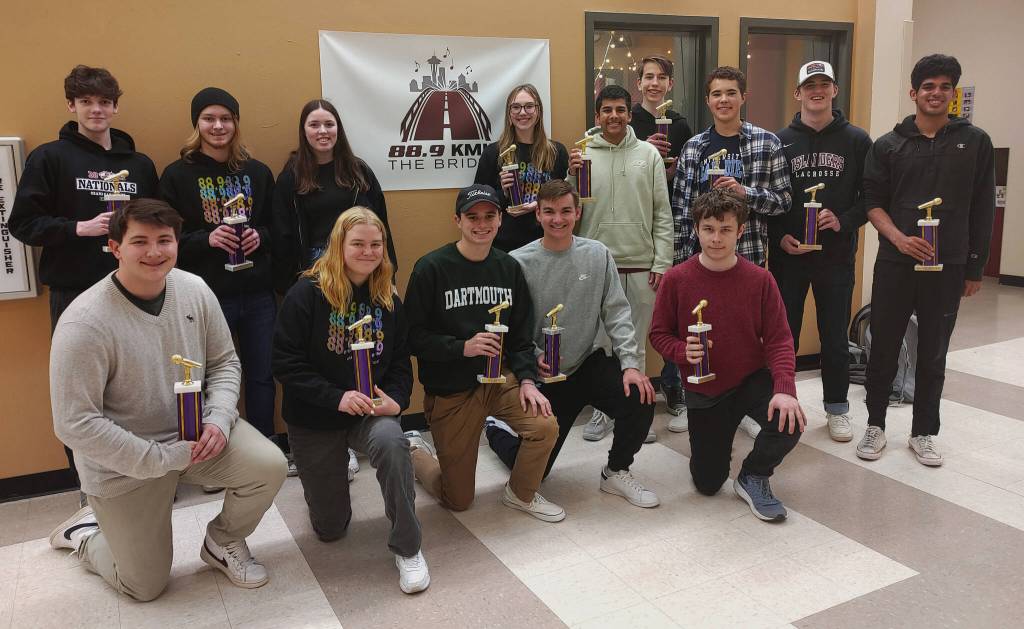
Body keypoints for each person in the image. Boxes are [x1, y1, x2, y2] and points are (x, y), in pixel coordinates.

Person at [47, 199, 287, 601]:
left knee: (270, 464)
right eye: (139, 241)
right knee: (144, 586)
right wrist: (159, 459)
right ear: (115, 247)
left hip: (197, 438)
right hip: (127, 464)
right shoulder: (84, 322)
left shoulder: (194, 290)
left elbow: (225, 362)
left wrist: (219, 417)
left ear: (177, 243)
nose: (155, 252)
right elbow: (75, 423)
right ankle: (87, 535)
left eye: (164, 240)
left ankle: (222, 542)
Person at [9, 64, 159, 501]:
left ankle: (149, 475)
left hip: (136, 291)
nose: (96, 110)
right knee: (82, 395)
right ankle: (90, 490)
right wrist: (80, 228)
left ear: (115, 107)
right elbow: (23, 224)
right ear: (71, 105)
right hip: (75, 293)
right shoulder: (50, 158)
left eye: (105, 102)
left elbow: (157, 224)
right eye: (87, 102)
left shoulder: (138, 164)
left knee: (139, 386)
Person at [272, 207, 427, 594]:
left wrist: (397, 400)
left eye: (376, 244)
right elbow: (285, 364)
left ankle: (408, 547)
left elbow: (399, 361)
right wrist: (336, 397)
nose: (368, 251)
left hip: (368, 414)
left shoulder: (387, 297)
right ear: (338, 246)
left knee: (393, 441)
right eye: (357, 243)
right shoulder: (306, 293)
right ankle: (335, 464)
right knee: (330, 529)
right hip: (316, 417)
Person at [856, 54, 995, 466]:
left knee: (934, 352)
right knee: (882, 348)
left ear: (954, 93)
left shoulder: (975, 142)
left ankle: (923, 432)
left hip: (948, 265)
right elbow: (872, 203)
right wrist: (899, 239)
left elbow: (982, 207)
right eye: (928, 86)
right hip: (897, 264)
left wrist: (974, 267)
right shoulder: (888, 145)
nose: (936, 93)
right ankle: (875, 425)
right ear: (914, 93)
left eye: (945, 86)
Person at [485, 180, 659, 508]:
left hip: (587, 362)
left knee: (641, 396)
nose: (558, 219)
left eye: (566, 211)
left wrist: (631, 366)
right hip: (545, 374)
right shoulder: (518, 262)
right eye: (549, 211)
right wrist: (534, 357)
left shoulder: (597, 254)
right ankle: (497, 429)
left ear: (578, 212)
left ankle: (616, 470)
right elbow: (511, 327)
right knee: (537, 472)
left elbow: (617, 312)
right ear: (537, 214)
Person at [403, 184, 563, 522]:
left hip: (499, 381)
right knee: (457, 499)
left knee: (545, 425)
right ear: (457, 220)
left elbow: (520, 337)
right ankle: (415, 452)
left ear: (500, 220)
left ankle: (520, 494)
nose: (481, 224)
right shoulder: (431, 268)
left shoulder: (508, 268)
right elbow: (412, 337)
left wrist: (529, 382)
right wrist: (463, 347)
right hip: (452, 391)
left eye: (489, 216)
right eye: (472, 217)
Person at [650, 189, 804, 522]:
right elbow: (658, 335)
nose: (716, 238)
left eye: (725, 229)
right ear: (696, 229)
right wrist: (681, 350)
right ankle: (717, 447)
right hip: (705, 391)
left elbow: (779, 339)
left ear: (740, 231)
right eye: (708, 229)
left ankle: (753, 475)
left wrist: (785, 389)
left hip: (750, 380)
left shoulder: (760, 279)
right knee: (708, 483)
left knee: (790, 420)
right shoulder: (676, 279)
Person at [159, 87, 283, 466]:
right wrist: (206, 238)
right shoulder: (177, 176)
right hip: (205, 297)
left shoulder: (258, 172)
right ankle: (213, 457)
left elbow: (278, 229)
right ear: (196, 124)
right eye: (209, 118)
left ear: (236, 123)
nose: (218, 126)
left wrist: (259, 235)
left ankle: (263, 451)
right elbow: (164, 236)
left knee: (262, 376)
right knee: (207, 380)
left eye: (225, 118)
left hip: (259, 293)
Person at [672, 66, 792, 440]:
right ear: (708, 100)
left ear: (743, 97)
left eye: (730, 93)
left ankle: (744, 404)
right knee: (699, 331)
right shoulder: (693, 147)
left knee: (744, 337)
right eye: (716, 94)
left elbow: (784, 201)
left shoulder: (766, 143)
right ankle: (697, 398)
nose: (723, 100)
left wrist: (746, 194)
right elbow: (681, 209)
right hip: (701, 264)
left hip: (748, 258)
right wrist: (679, 263)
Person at [767, 61, 872, 443]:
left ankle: (837, 408)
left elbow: (872, 198)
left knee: (833, 337)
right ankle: (782, 401)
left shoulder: (857, 140)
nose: (817, 90)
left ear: (834, 90)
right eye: (809, 85)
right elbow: (771, 200)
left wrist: (842, 220)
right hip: (788, 258)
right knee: (783, 336)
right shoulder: (779, 141)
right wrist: (779, 237)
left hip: (836, 257)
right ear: (797, 93)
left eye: (824, 84)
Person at [568, 84, 673, 445]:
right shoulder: (581, 155)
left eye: (620, 110)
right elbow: (572, 213)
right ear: (597, 116)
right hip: (597, 266)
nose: (614, 116)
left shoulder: (649, 155)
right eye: (607, 110)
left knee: (636, 346)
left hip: (642, 266)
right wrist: (570, 175)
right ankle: (602, 411)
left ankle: (636, 414)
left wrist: (663, 260)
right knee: (600, 346)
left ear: (630, 114)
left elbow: (663, 213)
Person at [628, 55, 694, 425]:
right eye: (648, 76)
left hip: (670, 227)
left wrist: (668, 169)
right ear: (639, 83)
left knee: (674, 312)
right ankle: (628, 390)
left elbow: (680, 180)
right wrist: (644, 151)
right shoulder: (627, 122)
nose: (654, 83)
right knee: (631, 316)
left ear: (670, 84)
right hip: (636, 228)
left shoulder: (682, 126)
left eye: (661, 77)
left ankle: (675, 386)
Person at [273, 99, 397, 293]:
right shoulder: (291, 177)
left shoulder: (359, 171)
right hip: (315, 269)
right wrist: (288, 286)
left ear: (338, 129)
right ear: (304, 131)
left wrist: (390, 278)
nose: (323, 131)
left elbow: (382, 225)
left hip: (360, 262)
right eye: (314, 125)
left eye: (329, 124)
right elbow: (282, 234)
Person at [474, 84, 570, 253]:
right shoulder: (493, 153)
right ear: (509, 114)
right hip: (504, 245)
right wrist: (502, 193)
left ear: (538, 111)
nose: (523, 112)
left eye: (529, 106)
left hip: (546, 242)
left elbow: (565, 199)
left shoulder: (557, 152)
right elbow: (478, 204)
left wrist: (538, 206)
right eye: (516, 107)